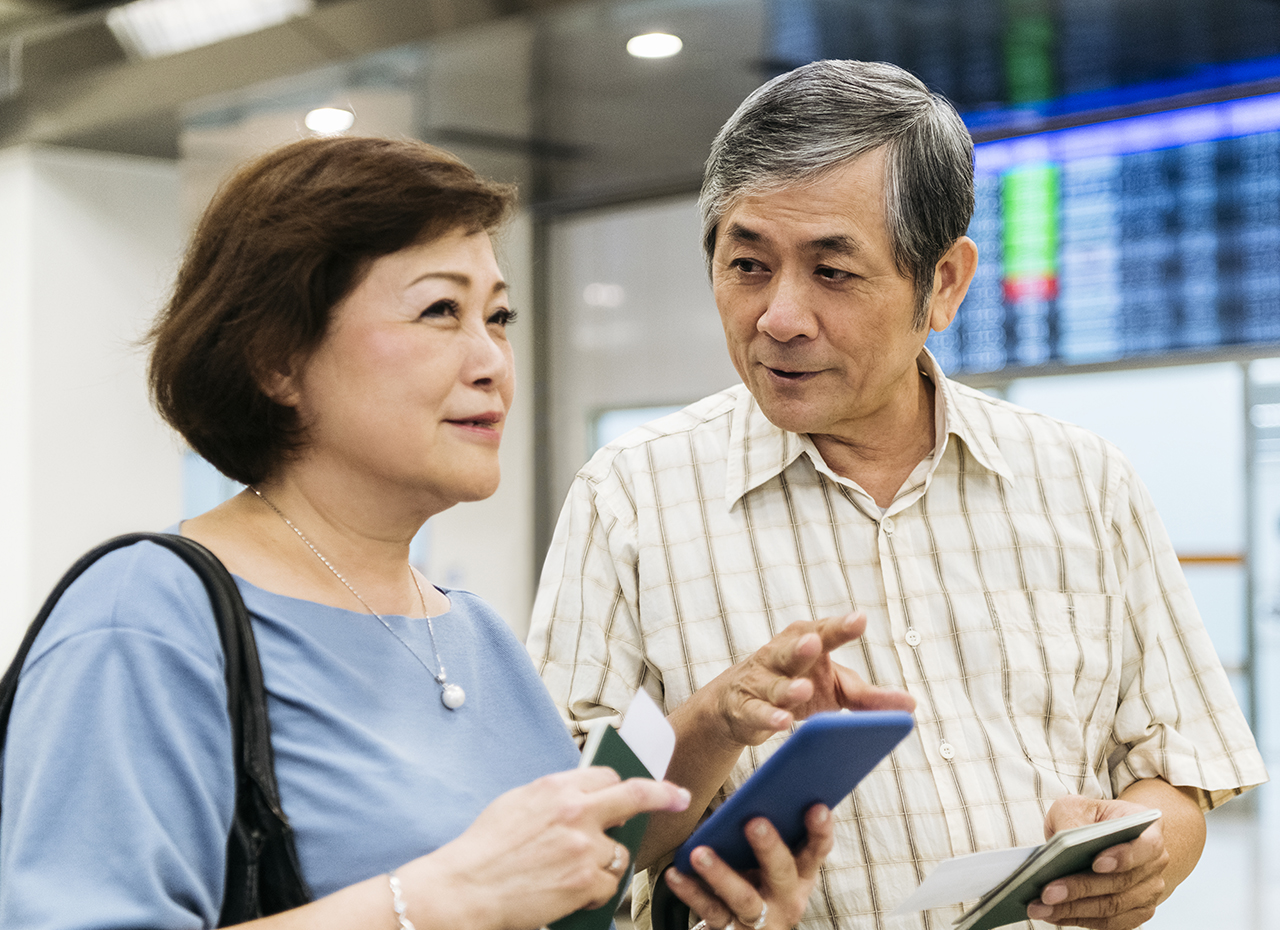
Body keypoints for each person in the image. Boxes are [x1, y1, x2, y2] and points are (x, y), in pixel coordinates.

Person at [0, 135, 834, 930]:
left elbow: (569, 875)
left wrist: (720, 729)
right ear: (275, 359)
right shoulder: (147, 617)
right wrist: (441, 896)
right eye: (440, 310)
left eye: (499, 317)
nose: (491, 361)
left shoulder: (470, 632)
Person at [527, 59, 1269, 930]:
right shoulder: (632, 497)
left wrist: (1149, 854)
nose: (780, 317)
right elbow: (562, 841)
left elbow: (1181, 763)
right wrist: (715, 722)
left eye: (832, 273)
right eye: (749, 264)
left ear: (944, 283)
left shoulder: (1082, 478)